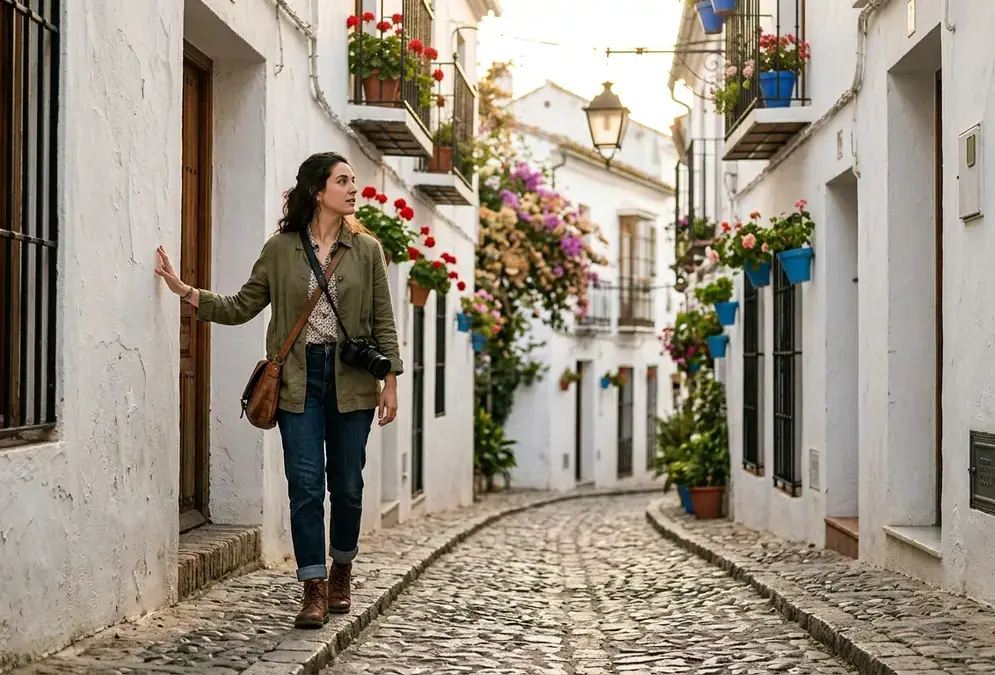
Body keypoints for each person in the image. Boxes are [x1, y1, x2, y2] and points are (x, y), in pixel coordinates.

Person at [155, 152, 402, 628]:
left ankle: (341, 570)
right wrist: (186, 292)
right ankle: (312, 587)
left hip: (351, 382)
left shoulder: (367, 250)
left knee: (348, 487)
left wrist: (389, 382)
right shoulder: (281, 248)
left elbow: (384, 323)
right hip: (297, 380)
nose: (354, 189)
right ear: (317, 191)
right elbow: (242, 305)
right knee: (306, 486)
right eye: (344, 181)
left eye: (354, 181)